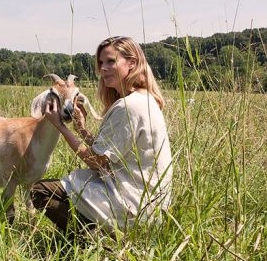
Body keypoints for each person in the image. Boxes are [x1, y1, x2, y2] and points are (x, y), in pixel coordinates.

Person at [31, 35, 173, 237]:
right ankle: (98, 233)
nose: (103, 68)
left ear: (132, 63)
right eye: (100, 63)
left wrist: (61, 126)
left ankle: (99, 242)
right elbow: (112, 155)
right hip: (149, 201)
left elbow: (95, 161)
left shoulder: (129, 106)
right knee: (68, 187)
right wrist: (82, 130)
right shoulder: (144, 99)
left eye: (111, 61)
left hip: (133, 203)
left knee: (40, 191)